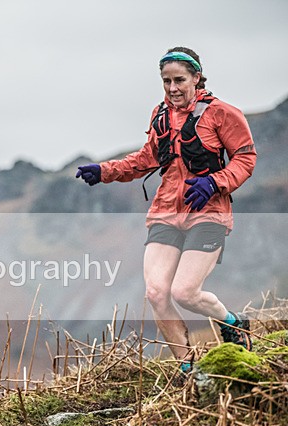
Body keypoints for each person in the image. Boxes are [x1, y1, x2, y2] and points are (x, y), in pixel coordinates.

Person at [75, 46, 257, 371]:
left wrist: (215, 182)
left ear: (196, 78)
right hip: (166, 213)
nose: (172, 88)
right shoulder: (160, 114)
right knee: (157, 293)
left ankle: (232, 323)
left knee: (185, 292)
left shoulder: (222, 114)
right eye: (166, 81)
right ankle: (189, 369)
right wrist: (104, 171)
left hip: (208, 212)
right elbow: (147, 158)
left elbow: (245, 159)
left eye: (179, 80)